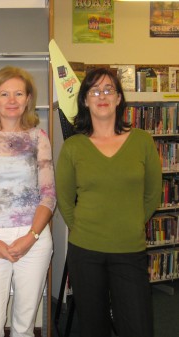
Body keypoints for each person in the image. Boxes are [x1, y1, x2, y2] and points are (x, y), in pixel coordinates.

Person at [55, 67, 162, 337]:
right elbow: (65, 199)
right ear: (85, 100)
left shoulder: (142, 141)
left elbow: (152, 194)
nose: (101, 95)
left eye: (108, 90)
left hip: (129, 250)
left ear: (118, 99)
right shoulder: (74, 147)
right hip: (85, 252)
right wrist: (81, 228)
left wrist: (133, 223)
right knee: (93, 327)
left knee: (138, 327)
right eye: (94, 90)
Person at [0, 66, 56, 337]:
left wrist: (31, 237)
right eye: (5, 94)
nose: (12, 100)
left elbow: (49, 195)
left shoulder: (39, 138)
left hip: (34, 239)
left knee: (24, 327)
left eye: (19, 93)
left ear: (28, 98)